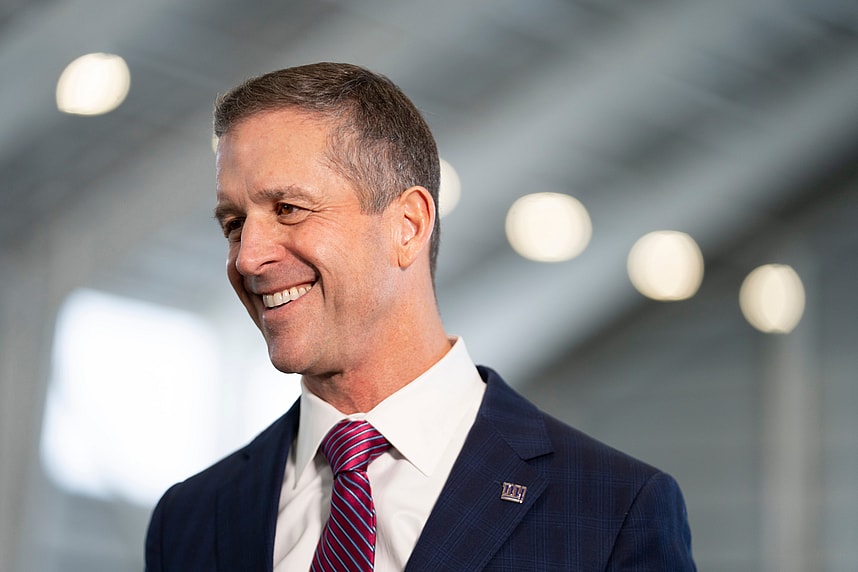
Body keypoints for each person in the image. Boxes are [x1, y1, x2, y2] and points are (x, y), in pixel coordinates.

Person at [145, 62, 696, 571]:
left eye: (288, 209)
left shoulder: (614, 510)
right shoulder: (191, 519)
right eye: (234, 223)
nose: (247, 257)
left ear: (407, 225)